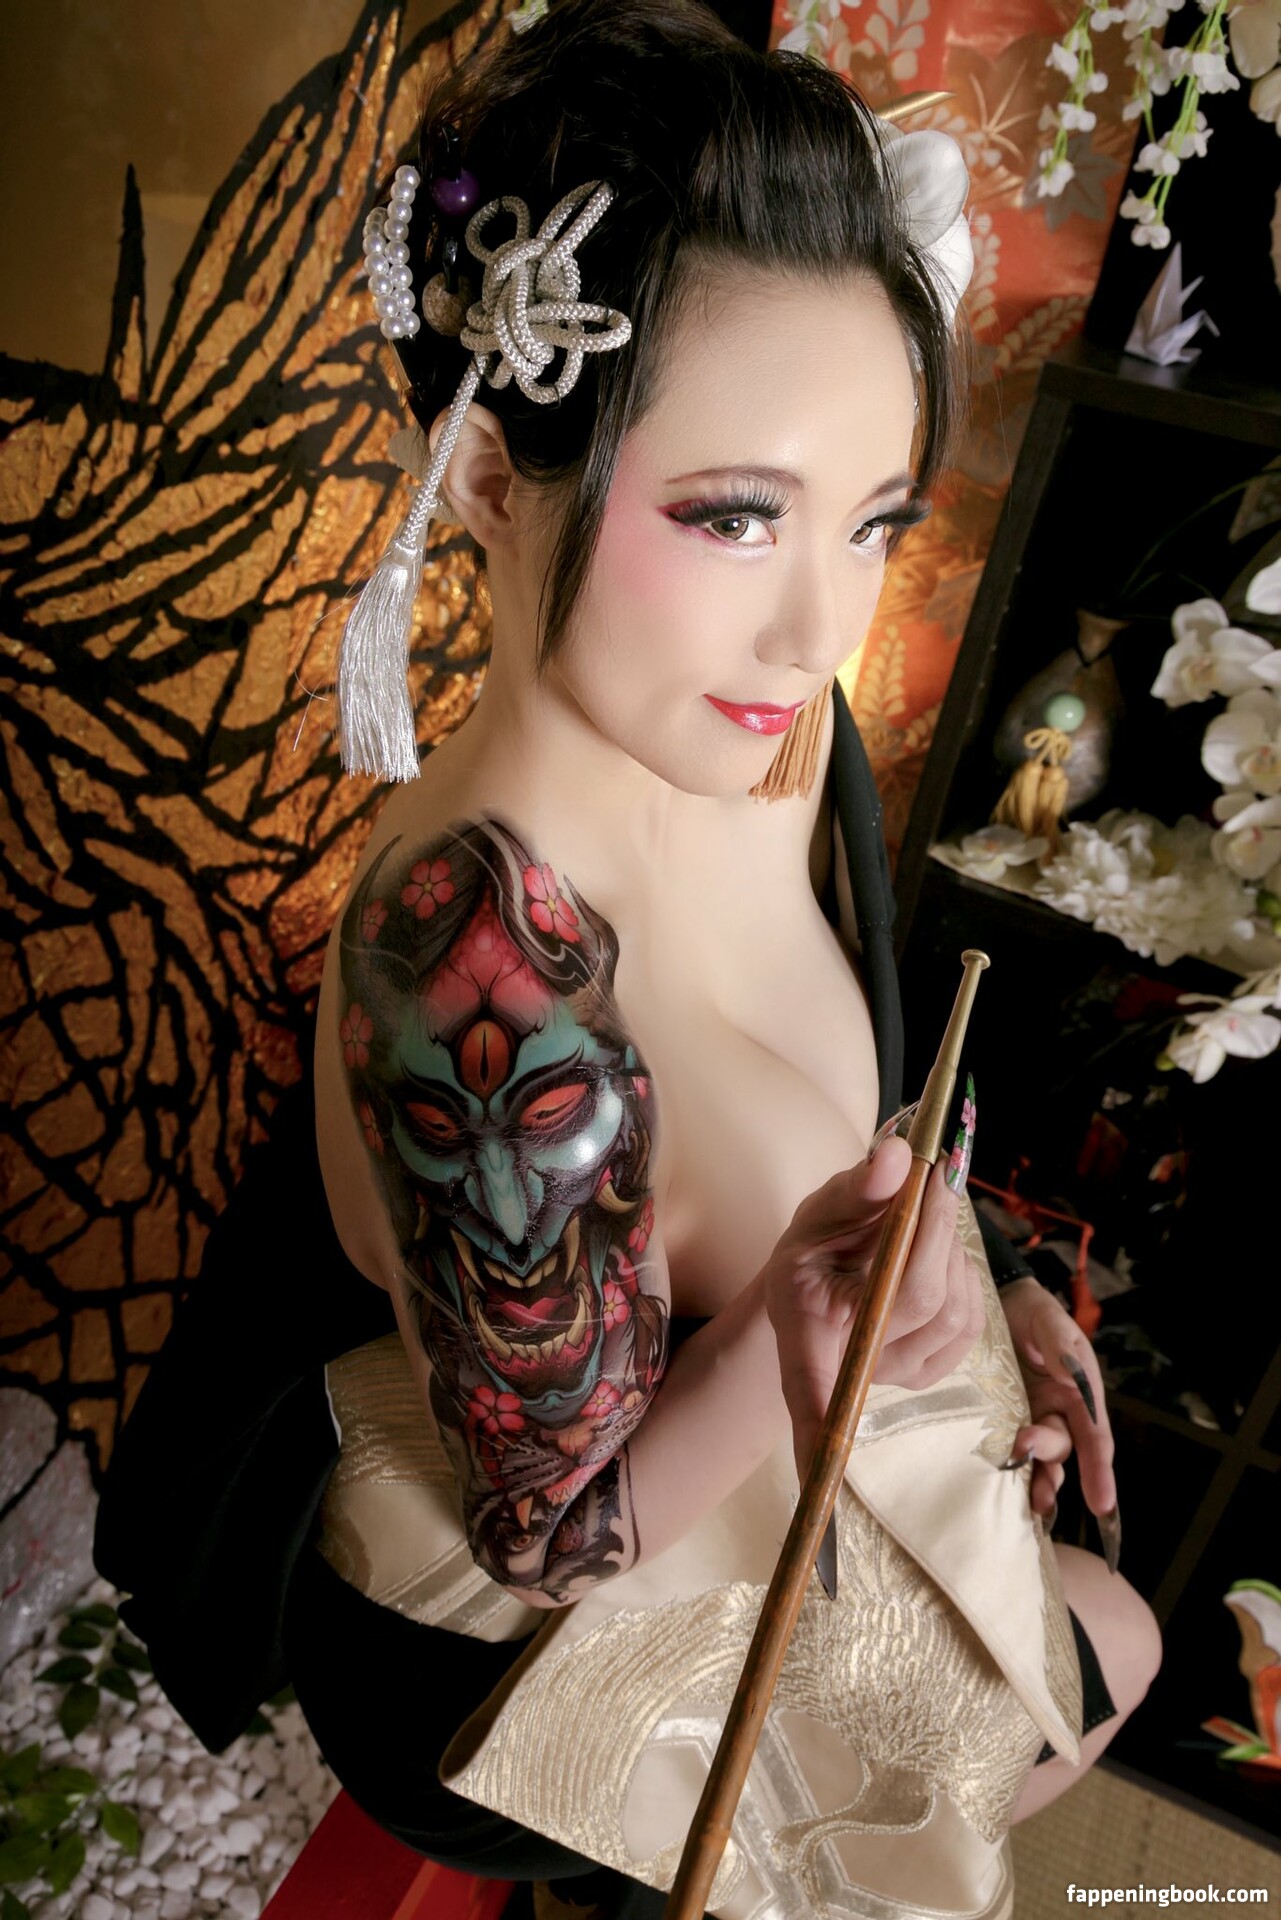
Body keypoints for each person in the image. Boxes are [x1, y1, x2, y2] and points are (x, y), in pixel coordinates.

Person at [94, 4, 1162, 1916]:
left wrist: (989, 1278)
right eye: (732, 517)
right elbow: (554, 1539)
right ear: (493, 480)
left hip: (772, 1439)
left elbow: (845, 1083)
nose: (816, 625)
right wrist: (795, 1349)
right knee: (1108, 1650)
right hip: (529, 1652)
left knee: (1091, 1627)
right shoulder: (478, 969)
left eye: (871, 521)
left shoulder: (767, 735)